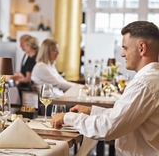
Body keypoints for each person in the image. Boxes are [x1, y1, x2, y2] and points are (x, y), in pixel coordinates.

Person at [51, 21, 159, 155]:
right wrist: (92, 111)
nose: (122, 54)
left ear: (142, 48)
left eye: (125, 48)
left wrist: (67, 117)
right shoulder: (151, 79)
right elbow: (122, 116)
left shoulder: (144, 84)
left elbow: (108, 127)